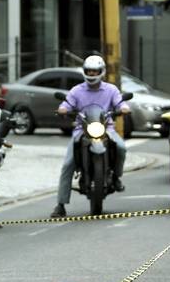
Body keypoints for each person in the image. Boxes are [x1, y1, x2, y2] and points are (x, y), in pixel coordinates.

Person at [50, 54, 130, 218]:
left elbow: (121, 103)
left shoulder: (111, 90)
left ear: (101, 72)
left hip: (106, 129)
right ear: (84, 71)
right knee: (67, 164)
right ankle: (60, 204)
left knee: (121, 147)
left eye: (95, 71)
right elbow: (66, 104)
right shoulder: (77, 90)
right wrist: (63, 109)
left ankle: (116, 177)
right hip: (82, 129)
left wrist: (123, 108)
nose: (92, 74)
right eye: (89, 71)